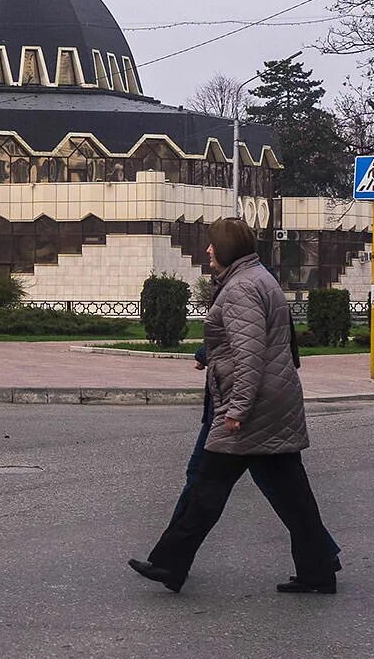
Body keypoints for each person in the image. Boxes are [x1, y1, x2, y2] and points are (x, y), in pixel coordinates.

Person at [130, 217, 338, 595]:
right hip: (273, 403)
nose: (208, 250)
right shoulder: (255, 277)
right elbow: (248, 340)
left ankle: (169, 564)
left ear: (226, 249)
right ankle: (319, 570)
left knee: (207, 488)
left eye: (213, 244)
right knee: (293, 497)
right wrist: (208, 353)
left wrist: (237, 410)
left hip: (253, 408)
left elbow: (250, 356)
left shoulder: (241, 287)